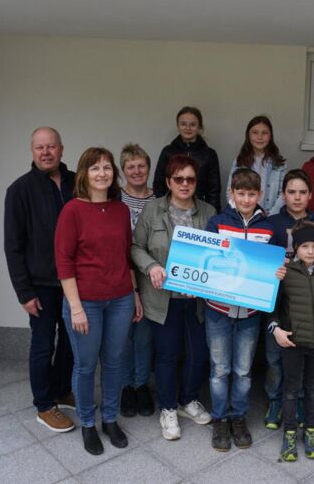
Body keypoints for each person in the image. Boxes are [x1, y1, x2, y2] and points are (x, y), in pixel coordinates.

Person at [55, 147, 142, 455]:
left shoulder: (120, 210)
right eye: (95, 168)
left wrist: (134, 293)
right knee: (85, 365)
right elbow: (63, 262)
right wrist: (76, 307)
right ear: (84, 174)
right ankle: (88, 424)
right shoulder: (72, 211)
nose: (102, 173)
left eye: (107, 167)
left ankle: (110, 419)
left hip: (120, 300)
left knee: (115, 363)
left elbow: (125, 256)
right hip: (86, 303)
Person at [131, 155, 216, 441]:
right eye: (178, 178)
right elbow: (136, 246)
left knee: (198, 354)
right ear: (168, 182)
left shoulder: (208, 212)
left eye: (190, 179)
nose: (184, 184)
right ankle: (167, 408)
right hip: (162, 299)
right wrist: (151, 266)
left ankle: (187, 400)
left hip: (197, 299)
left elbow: (219, 254)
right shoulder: (152, 210)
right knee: (167, 354)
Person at [204, 168, 285, 452]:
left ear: (260, 195)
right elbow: (207, 261)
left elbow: (276, 264)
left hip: (250, 313)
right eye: (241, 193)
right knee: (219, 369)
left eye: (252, 194)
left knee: (242, 370)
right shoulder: (217, 223)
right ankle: (219, 418)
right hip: (217, 310)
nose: (247, 199)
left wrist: (278, 272)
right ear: (232, 193)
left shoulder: (269, 228)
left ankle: (238, 417)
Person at [3, 127, 75, 434]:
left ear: (61, 149)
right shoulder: (20, 190)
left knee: (72, 341)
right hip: (41, 285)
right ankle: (44, 405)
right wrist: (24, 292)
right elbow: (13, 245)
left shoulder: (77, 183)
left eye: (51, 146)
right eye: (40, 148)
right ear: (32, 151)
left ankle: (61, 389)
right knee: (44, 344)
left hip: (74, 282)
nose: (46, 152)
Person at [264, 169, 314, 430]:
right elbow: (261, 260)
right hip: (280, 302)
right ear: (283, 195)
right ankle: (275, 401)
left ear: (310, 195)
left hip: (307, 305)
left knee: (303, 362)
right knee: (274, 358)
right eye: (291, 192)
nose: (297, 197)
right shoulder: (271, 223)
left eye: (302, 192)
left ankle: (300, 403)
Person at [269, 221, 314, 462]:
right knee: (291, 390)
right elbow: (272, 307)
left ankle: (310, 431)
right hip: (293, 344)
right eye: (305, 246)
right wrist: (276, 329)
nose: (310, 251)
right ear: (296, 248)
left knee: (313, 388)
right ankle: (289, 434)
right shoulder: (285, 273)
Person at [119, 143, 156, 417]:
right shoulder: (115, 199)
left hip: (150, 275)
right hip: (121, 275)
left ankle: (141, 384)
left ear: (149, 168)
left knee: (144, 336)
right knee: (123, 335)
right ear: (123, 171)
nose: (136, 171)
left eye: (141, 165)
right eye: (130, 166)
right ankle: (125, 387)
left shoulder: (159, 200)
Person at [153, 106, 221, 211]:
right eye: (183, 124)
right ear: (178, 126)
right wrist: (163, 209)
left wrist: (212, 214)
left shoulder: (209, 154)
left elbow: (214, 190)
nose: (187, 128)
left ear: (199, 127)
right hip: (171, 209)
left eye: (193, 125)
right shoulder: (168, 152)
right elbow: (159, 183)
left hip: (201, 210)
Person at [225, 115, 287, 215]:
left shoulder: (279, 164)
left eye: (264, 133)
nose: (259, 137)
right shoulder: (239, 162)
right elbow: (230, 191)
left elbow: (283, 194)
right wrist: (241, 214)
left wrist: (270, 215)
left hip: (271, 217)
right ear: (248, 135)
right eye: (255, 132)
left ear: (270, 136)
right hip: (244, 216)